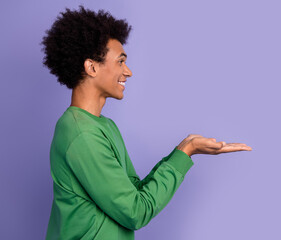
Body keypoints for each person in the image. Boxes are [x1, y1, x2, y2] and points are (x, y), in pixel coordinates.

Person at [42, 6, 252, 240]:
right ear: (91, 67)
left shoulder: (104, 126)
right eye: (120, 61)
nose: (128, 71)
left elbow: (134, 193)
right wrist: (186, 152)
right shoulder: (81, 133)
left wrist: (185, 149)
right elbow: (135, 212)